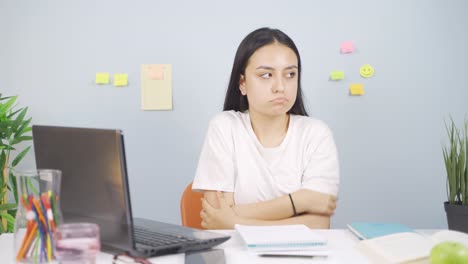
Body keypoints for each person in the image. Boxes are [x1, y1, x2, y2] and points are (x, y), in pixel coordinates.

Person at [192, 27, 339, 230]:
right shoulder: (225, 127)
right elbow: (217, 219)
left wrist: (236, 220)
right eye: (266, 75)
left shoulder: (316, 133)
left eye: (290, 74)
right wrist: (300, 202)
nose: (280, 86)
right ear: (242, 82)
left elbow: (319, 224)